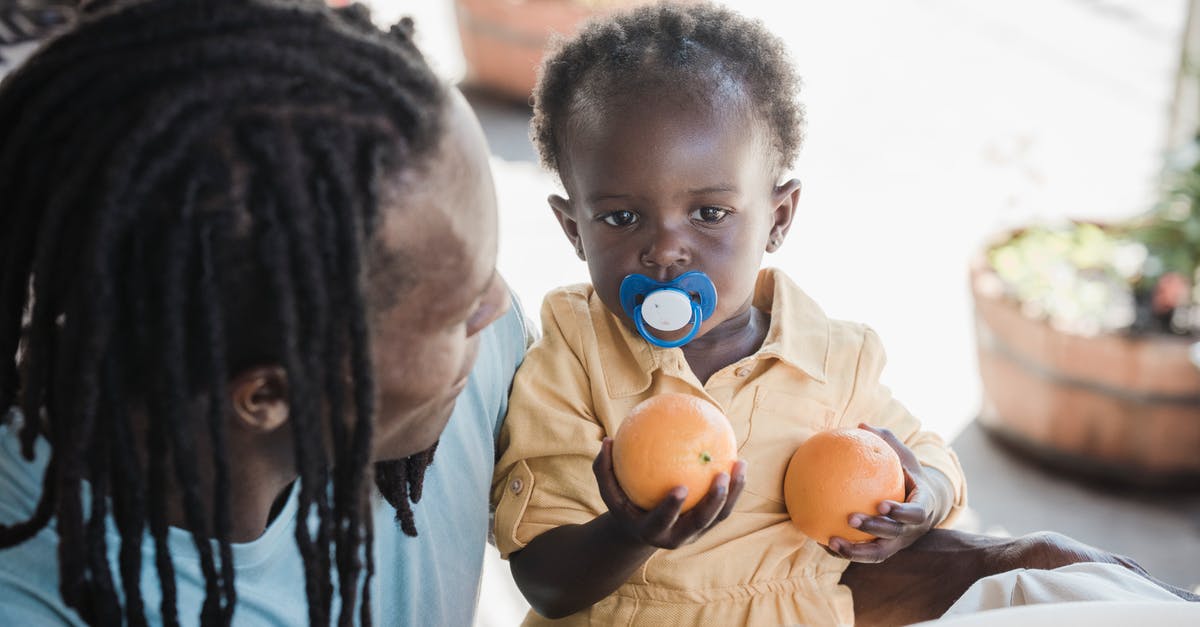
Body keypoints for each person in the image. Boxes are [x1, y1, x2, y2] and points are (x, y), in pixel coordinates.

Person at [489, 3, 1197, 626]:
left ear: (778, 216)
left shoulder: (832, 358)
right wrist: (630, 531)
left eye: (709, 212)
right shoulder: (571, 358)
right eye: (620, 216)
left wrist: (921, 497)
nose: (666, 248)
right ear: (573, 229)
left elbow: (923, 457)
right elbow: (546, 582)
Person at [0, 0, 528, 625]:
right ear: (269, 398)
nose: (496, 305)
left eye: (483, 269)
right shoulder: (37, 603)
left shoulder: (478, 357)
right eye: (458, 311)